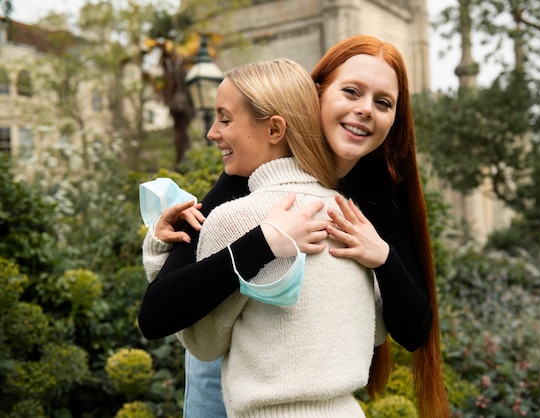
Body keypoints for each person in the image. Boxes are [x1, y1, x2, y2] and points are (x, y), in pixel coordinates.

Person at [139, 35, 449, 417]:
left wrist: (383, 259)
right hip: (227, 384)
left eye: (383, 102)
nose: (365, 109)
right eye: (351, 92)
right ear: (314, 94)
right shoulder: (246, 180)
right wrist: (263, 242)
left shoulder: (376, 197)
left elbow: (414, 330)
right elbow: (159, 312)